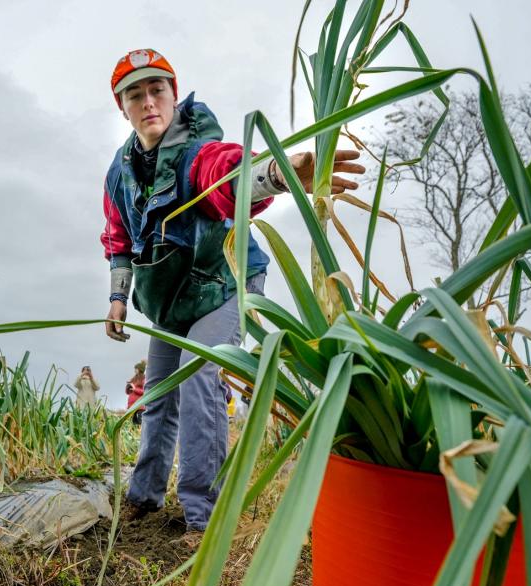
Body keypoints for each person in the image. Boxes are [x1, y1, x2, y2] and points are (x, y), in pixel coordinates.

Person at [101, 48, 364, 531]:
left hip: (223, 280)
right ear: (122, 107)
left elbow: (228, 175)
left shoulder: (197, 150)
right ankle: (144, 497)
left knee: (199, 374)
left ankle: (205, 516)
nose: (148, 102)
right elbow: (118, 237)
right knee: (157, 391)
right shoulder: (120, 174)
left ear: (174, 96)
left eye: (157, 89)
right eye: (134, 95)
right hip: (171, 298)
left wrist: (277, 175)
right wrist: (119, 297)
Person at [126, 359, 147, 424]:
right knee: (133, 424)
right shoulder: (134, 379)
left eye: (136, 368)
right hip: (131, 406)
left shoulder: (144, 379)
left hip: (139, 406)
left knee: (139, 423)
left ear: (140, 369)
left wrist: (135, 389)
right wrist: (128, 387)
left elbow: (144, 392)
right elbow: (127, 392)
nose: (135, 370)